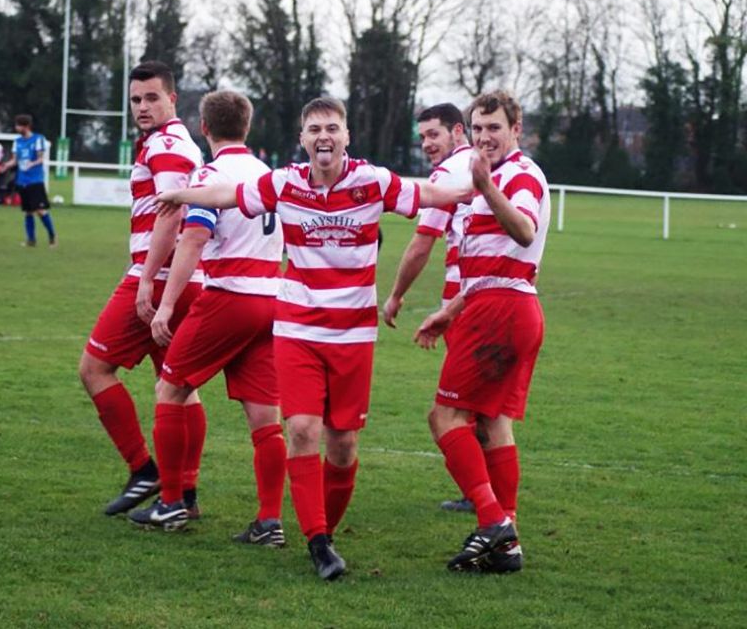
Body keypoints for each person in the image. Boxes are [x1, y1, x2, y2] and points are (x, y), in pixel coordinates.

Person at [155, 96, 472, 581]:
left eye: (332, 127)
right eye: (314, 128)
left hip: (353, 334)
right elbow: (225, 195)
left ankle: (323, 527)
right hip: (296, 328)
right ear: (302, 139)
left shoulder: (372, 181)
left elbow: (430, 194)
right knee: (302, 429)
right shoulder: (283, 183)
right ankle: (318, 542)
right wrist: (181, 195)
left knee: (342, 444)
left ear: (346, 136)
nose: (323, 135)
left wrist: (484, 183)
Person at [128, 90, 287, 541]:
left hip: (229, 294)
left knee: (170, 389)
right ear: (248, 126)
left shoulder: (209, 175)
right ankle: (269, 521)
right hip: (271, 300)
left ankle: (172, 503)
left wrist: (167, 304)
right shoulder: (267, 174)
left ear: (203, 127)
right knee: (264, 416)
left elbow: (194, 239)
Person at [414, 90, 550, 574]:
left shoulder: (519, 174)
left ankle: (494, 521)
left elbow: (524, 232)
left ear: (516, 129)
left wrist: (486, 187)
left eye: (494, 127)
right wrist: (450, 310)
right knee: (491, 423)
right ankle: (507, 545)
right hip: (494, 305)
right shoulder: (493, 176)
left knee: (445, 418)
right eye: (478, 128)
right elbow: (491, 268)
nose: (485, 136)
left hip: (501, 312)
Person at [78, 61, 205, 518]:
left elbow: (172, 213)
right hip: (189, 276)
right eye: (135, 100)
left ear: (173, 99)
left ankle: (143, 469)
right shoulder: (174, 142)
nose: (142, 107)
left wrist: (148, 279)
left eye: (152, 97)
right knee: (178, 387)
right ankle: (184, 495)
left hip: (160, 273)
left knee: (94, 369)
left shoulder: (167, 144)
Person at [382, 103, 477, 513]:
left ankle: (484, 499)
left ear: (458, 131)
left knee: (450, 413)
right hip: (488, 294)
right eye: (422, 137)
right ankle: (486, 495)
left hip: (465, 302)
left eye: (433, 134)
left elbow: (423, 243)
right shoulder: (487, 164)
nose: (426, 144)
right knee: (480, 408)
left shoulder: (449, 174)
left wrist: (397, 293)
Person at [0, 115, 57, 246]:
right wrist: (5, 166)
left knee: (40, 211)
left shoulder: (38, 139)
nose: (16, 128)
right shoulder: (17, 142)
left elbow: (41, 158)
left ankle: (52, 236)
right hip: (22, 180)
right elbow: (15, 160)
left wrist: (33, 163)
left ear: (25, 126)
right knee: (28, 211)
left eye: (18, 125)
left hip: (35, 180)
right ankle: (31, 240)